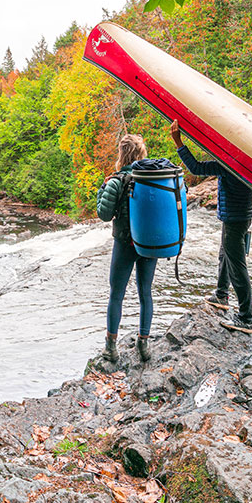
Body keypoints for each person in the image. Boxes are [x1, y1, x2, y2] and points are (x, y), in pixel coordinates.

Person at [169, 120, 252, 333]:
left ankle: (246, 318)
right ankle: (221, 295)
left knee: (237, 267)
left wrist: (178, 142)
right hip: (240, 217)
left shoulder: (229, 163)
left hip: (235, 219)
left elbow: (196, 167)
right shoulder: (245, 160)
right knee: (225, 256)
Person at [96, 134, 156, 363]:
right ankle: (144, 345)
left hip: (124, 243)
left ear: (121, 154)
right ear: (142, 154)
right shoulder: (153, 179)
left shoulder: (116, 180)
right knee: (145, 293)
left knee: (116, 294)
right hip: (149, 243)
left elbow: (104, 214)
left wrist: (102, 189)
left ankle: (111, 348)